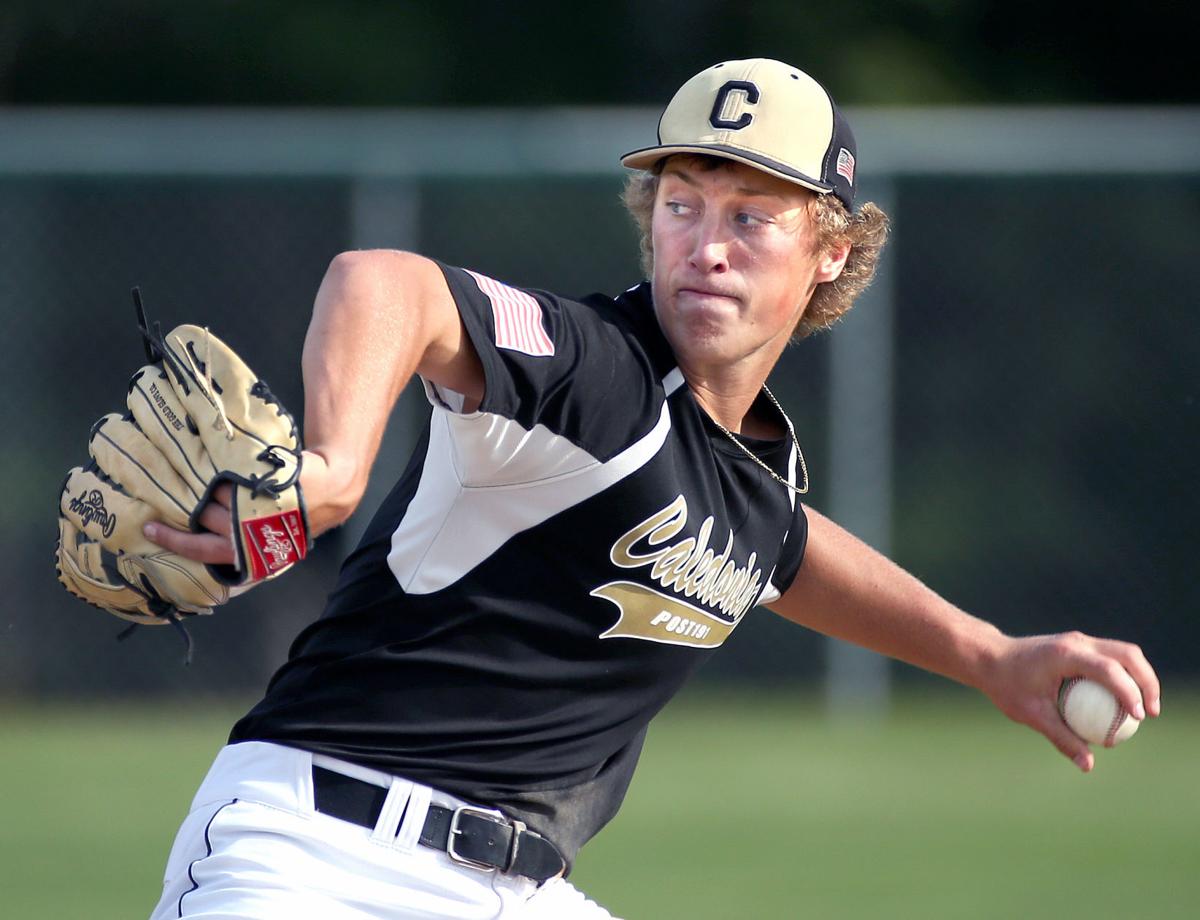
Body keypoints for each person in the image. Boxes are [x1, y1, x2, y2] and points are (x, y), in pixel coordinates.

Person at [141, 58, 1160, 920]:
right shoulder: (595, 372)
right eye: (682, 205)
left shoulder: (753, 470)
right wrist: (333, 468)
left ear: (832, 252)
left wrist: (991, 656)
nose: (706, 246)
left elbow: (786, 550)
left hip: (514, 890)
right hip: (318, 855)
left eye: (751, 216)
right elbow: (384, 281)